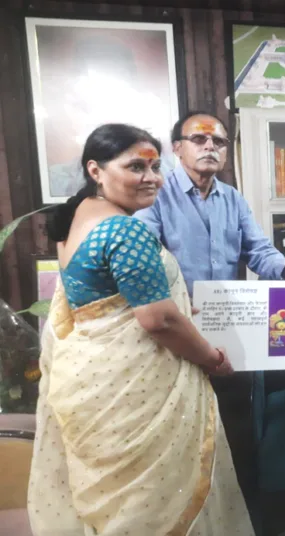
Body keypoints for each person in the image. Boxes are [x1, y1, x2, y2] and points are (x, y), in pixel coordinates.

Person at [28, 124, 255, 535]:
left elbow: (102, 298)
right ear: (95, 170)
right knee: (152, 504)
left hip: (88, 379)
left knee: (111, 510)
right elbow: (158, 320)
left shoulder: (77, 216)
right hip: (135, 392)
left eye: (155, 166)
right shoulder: (125, 230)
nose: (151, 178)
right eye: (136, 167)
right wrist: (212, 358)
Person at [134, 111, 285, 297]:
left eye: (219, 142)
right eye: (198, 139)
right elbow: (143, 260)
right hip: (174, 308)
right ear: (177, 148)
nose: (210, 146)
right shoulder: (156, 194)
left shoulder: (233, 198)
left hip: (223, 308)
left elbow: (257, 249)